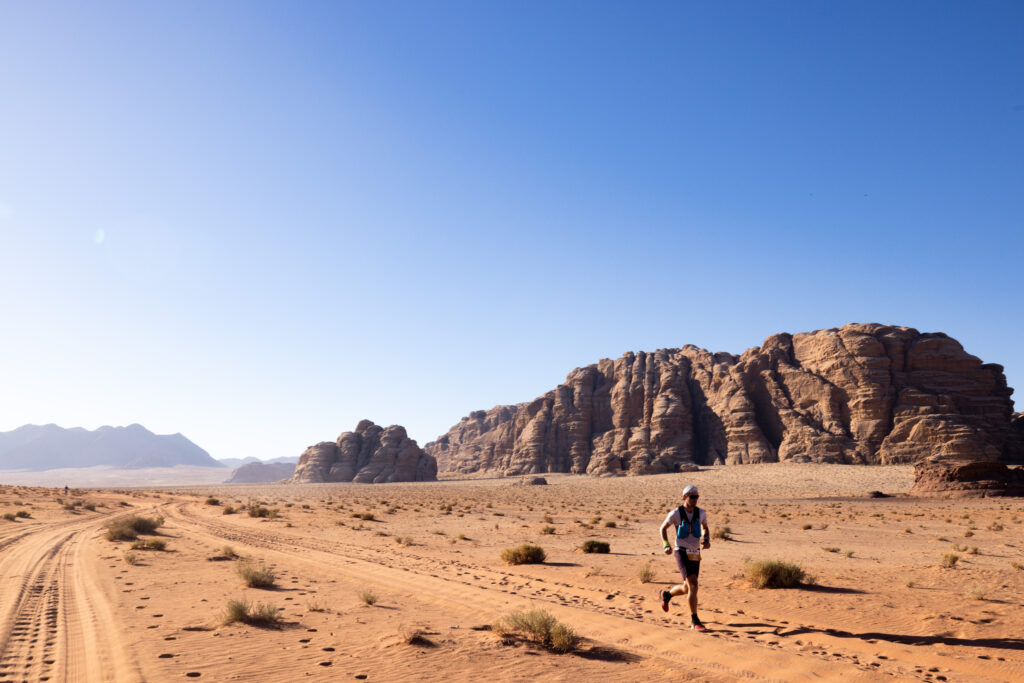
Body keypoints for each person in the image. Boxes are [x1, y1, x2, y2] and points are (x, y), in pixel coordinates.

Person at [658, 484, 710, 631]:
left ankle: (666, 595)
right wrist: (665, 544)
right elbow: (662, 528)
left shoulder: (701, 513)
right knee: (694, 585)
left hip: (695, 552)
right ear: (684, 497)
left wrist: (706, 539)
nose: (695, 499)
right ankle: (695, 621)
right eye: (692, 496)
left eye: (697, 496)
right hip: (680, 551)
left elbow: (705, 527)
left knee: (688, 588)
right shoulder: (675, 513)